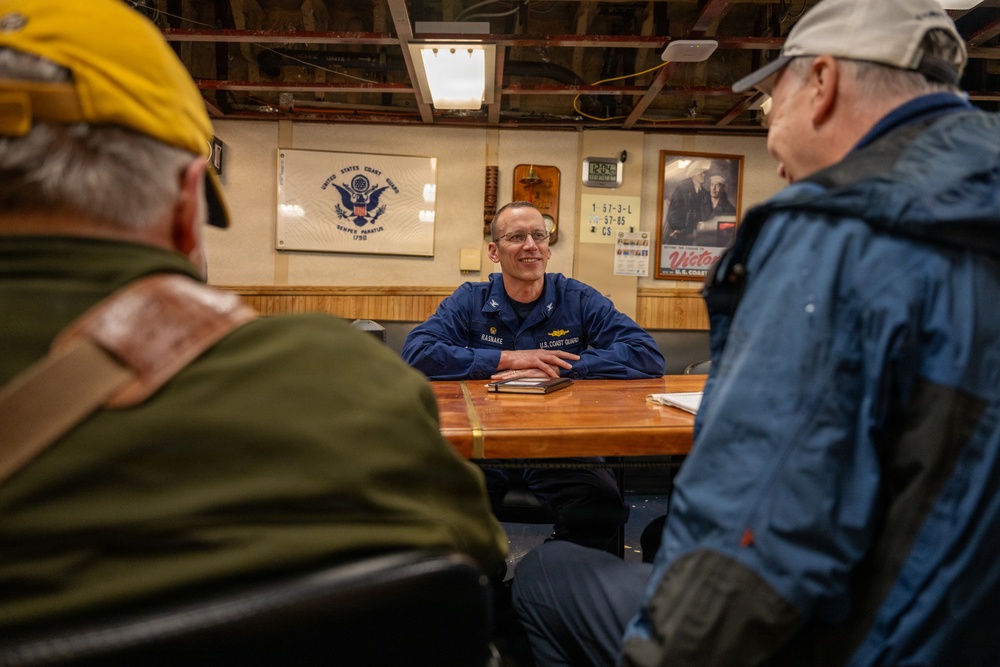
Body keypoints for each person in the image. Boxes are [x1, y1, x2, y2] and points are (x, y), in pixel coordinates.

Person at [512, 0, 1000, 665]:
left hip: (852, 639)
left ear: (822, 83)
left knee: (546, 575)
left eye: (772, 102)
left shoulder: (833, 234)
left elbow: (755, 544)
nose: (769, 139)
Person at [0, 0, 506, 634]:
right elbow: (474, 558)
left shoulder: (569, 297)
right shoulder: (337, 377)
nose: (530, 249)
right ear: (188, 208)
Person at [401, 201, 665, 553]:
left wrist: (559, 366)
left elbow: (646, 354)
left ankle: (547, 577)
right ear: (494, 252)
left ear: (548, 248)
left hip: (559, 445)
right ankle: (485, 586)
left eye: (539, 236)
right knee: (437, 508)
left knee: (602, 505)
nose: (531, 245)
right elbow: (417, 353)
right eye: (517, 237)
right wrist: (508, 359)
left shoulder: (579, 298)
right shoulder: (469, 300)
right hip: (485, 444)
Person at [661, 159, 711, 245]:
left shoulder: (705, 193)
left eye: (704, 172)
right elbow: (673, 218)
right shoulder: (681, 190)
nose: (704, 175)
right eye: (701, 173)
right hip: (682, 239)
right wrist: (690, 228)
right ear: (693, 175)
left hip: (700, 239)